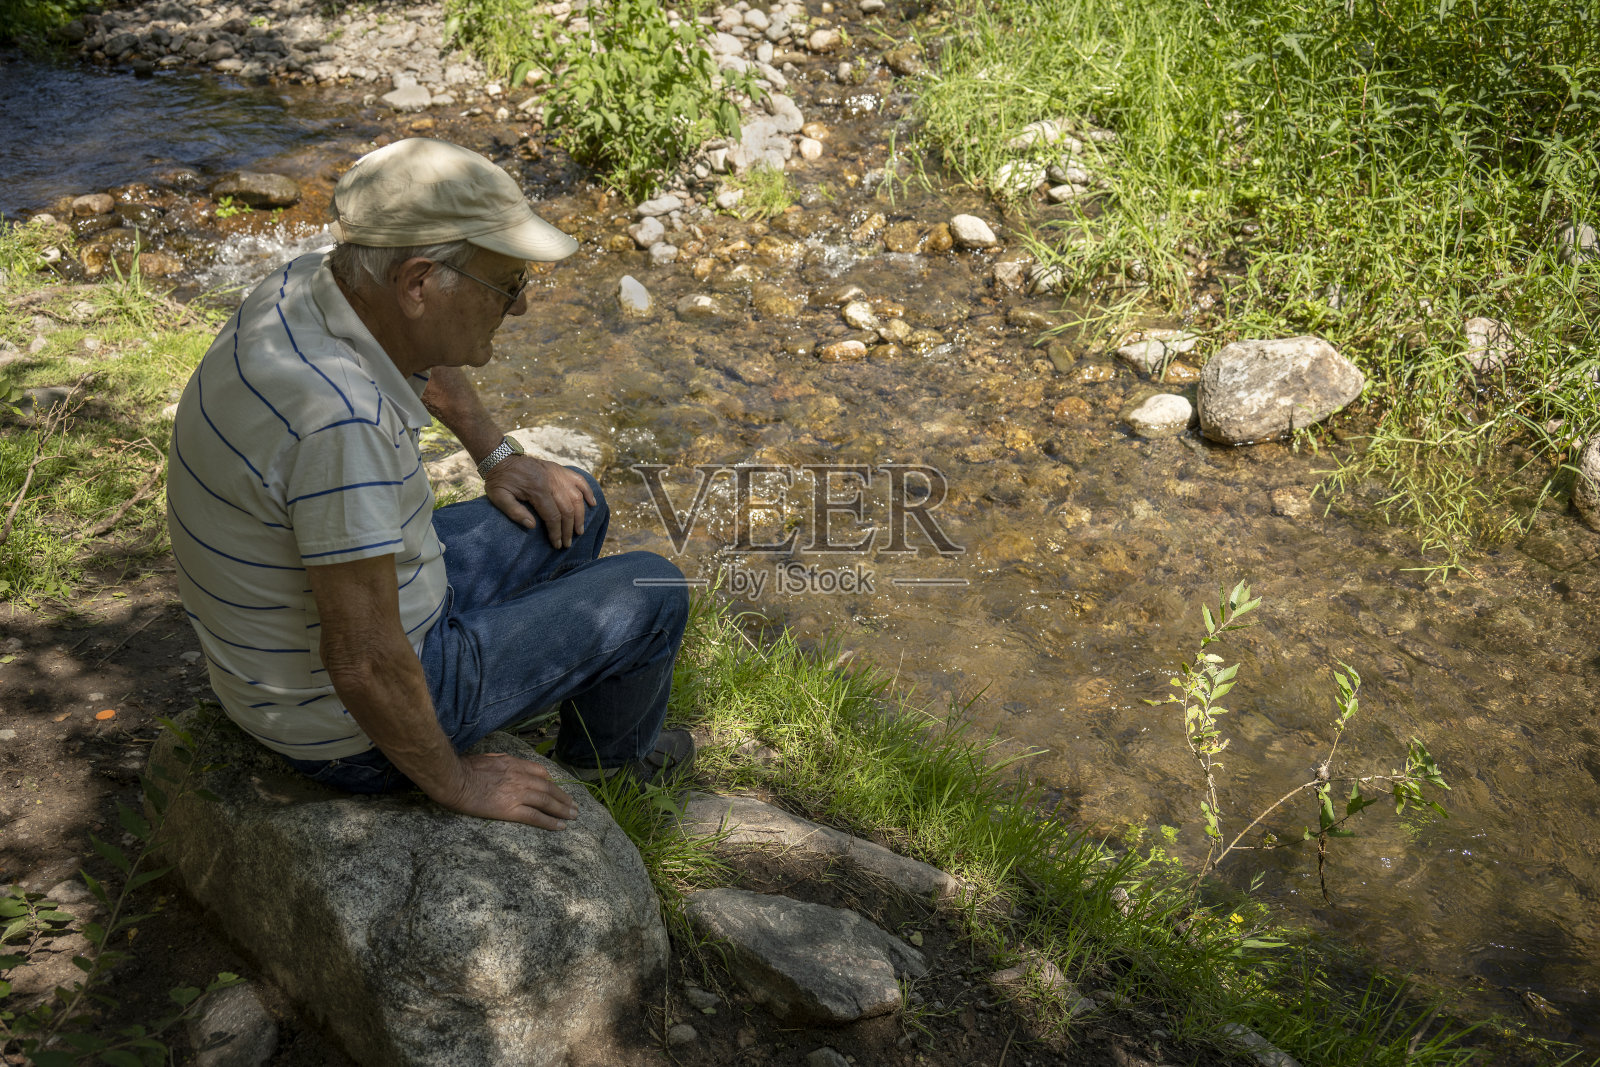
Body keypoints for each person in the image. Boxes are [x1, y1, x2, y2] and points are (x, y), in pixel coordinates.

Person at [165, 137, 692, 830]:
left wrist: (500, 456)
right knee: (653, 590)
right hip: (343, 728)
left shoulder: (312, 283)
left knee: (574, 505)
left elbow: (417, 357)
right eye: (508, 287)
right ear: (418, 283)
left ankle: (553, 697)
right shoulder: (337, 424)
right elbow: (363, 660)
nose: (523, 307)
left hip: (300, 648)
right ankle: (610, 771)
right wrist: (458, 781)